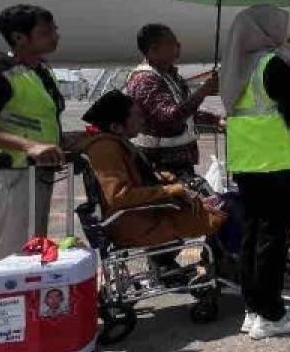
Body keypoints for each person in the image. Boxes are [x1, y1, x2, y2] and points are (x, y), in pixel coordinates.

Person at [221, 5, 290, 340]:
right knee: (273, 239)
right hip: (276, 161)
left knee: (252, 236)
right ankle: (272, 314)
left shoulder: (235, 67)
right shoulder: (273, 64)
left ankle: (253, 309)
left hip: (247, 162)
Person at [0, 5, 66, 264]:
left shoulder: (40, 72)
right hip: (8, 177)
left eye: (54, 30)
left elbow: (38, 122)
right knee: (11, 260)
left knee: (31, 254)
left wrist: (64, 142)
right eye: (46, 32)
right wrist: (29, 146)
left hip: (35, 174)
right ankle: (4, 306)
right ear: (19, 37)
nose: (55, 36)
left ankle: (26, 304)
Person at [77, 90, 225, 254]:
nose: (142, 121)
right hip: (137, 224)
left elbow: (137, 178)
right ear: (116, 127)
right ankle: (226, 268)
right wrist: (172, 190)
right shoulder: (106, 149)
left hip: (144, 216)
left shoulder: (115, 143)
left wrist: (166, 178)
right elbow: (119, 196)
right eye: (137, 116)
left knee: (218, 206)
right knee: (223, 215)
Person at [124, 24, 221, 184]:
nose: (178, 46)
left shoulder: (170, 76)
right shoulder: (145, 80)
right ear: (153, 49)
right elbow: (169, 117)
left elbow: (186, 113)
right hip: (160, 166)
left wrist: (214, 120)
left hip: (179, 163)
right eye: (171, 43)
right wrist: (202, 92)